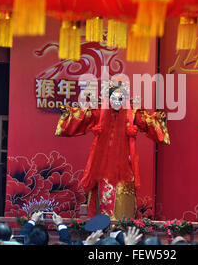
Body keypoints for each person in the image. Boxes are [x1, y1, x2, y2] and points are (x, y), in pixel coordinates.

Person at [55, 80, 170, 220]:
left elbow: (148, 121)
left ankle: (123, 235)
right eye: (113, 98)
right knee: (102, 199)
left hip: (124, 169)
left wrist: (159, 120)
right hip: (102, 168)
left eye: (120, 98)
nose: (116, 101)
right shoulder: (100, 115)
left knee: (123, 202)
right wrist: (68, 114)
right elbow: (83, 117)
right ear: (108, 99)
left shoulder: (132, 115)